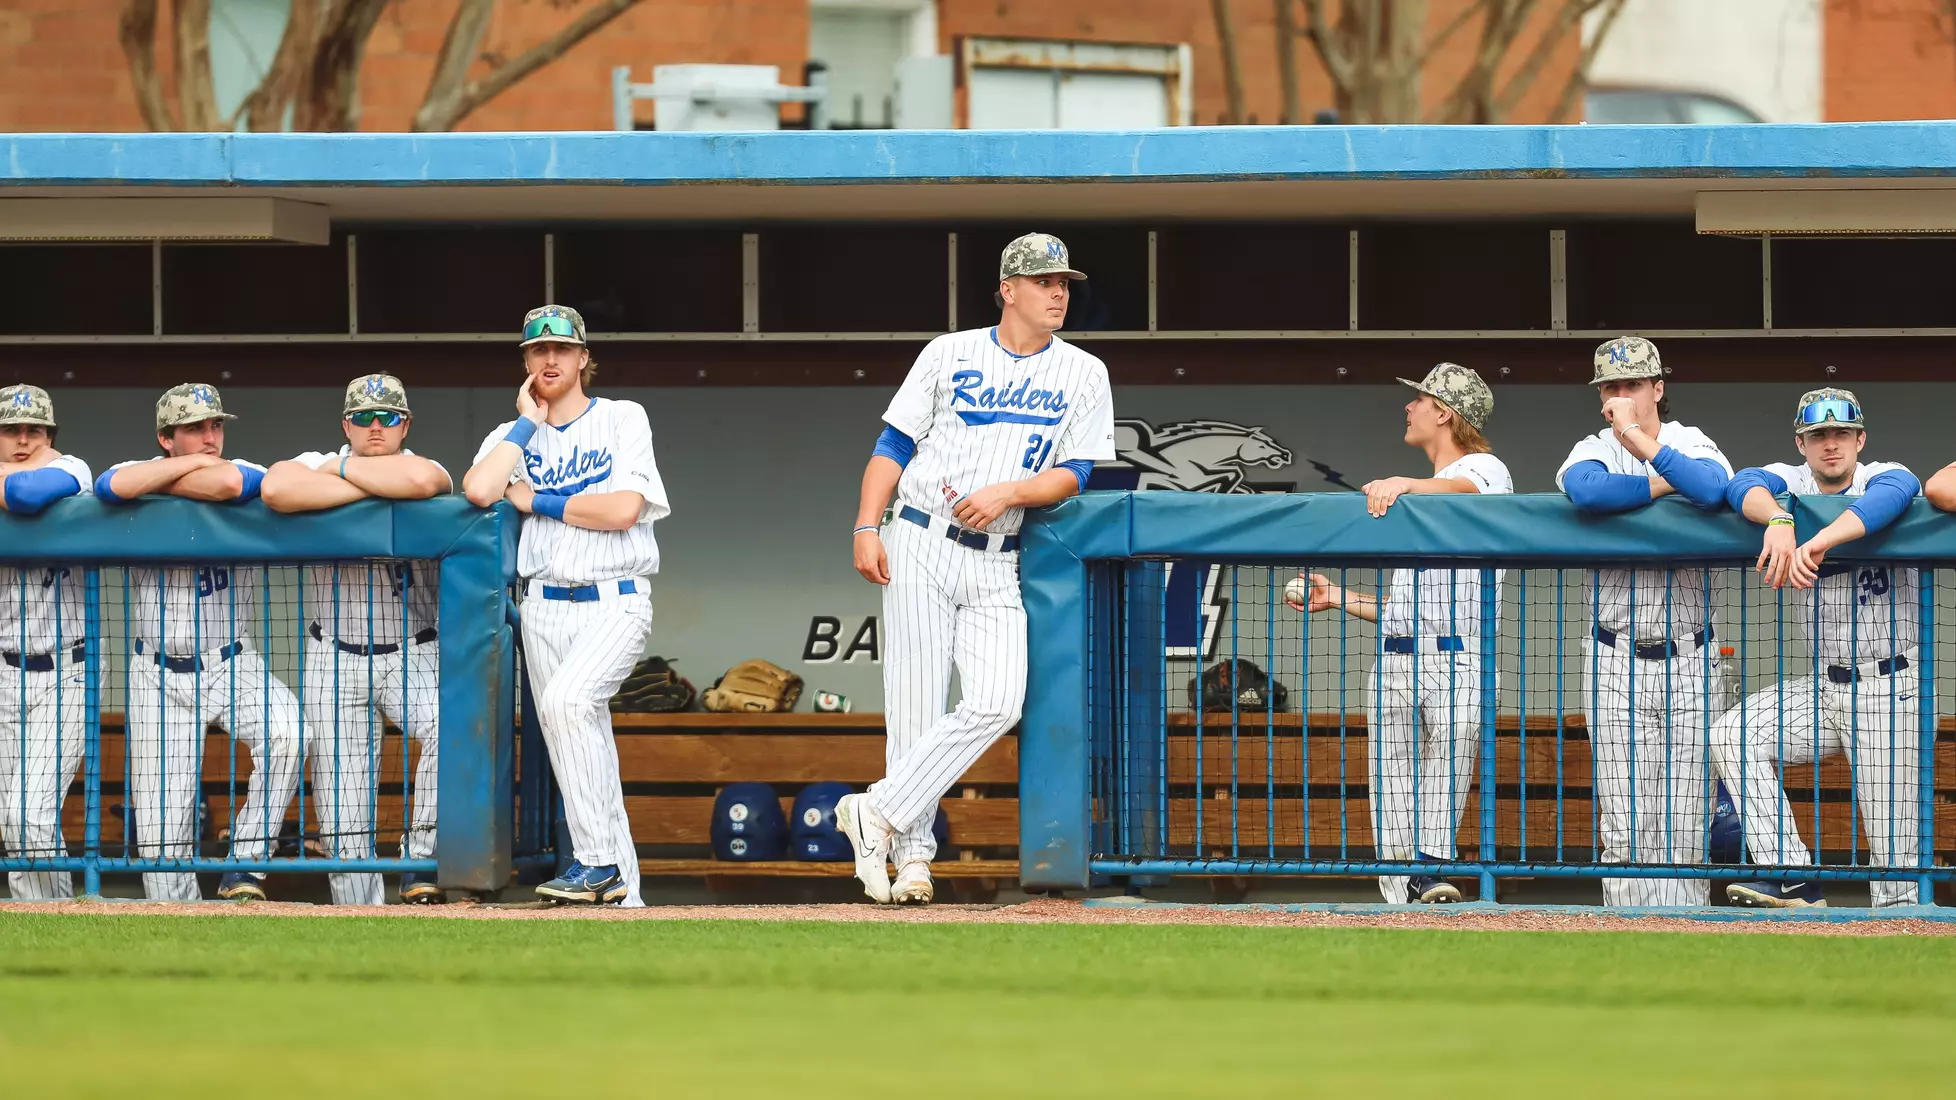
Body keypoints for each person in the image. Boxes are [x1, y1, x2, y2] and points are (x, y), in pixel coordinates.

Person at [840, 232, 1115, 905]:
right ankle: (912, 861)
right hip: (922, 539)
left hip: (1001, 552)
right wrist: (866, 523)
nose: (1058, 294)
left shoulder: (1084, 371)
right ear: (1008, 289)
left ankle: (874, 811)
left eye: (1064, 284)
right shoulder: (949, 352)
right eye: (1045, 282)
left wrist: (1009, 493)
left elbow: (1077, 472)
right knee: (914, 708)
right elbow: (892, 445)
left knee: (996, 701)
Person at [463, 305, 669, 907]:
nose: (549, 358)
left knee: (567, 702)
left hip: (615, 597)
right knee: (580, 742)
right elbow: (477, 489)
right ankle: (622, 897)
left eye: (561, 349)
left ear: (583, 358)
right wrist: (525, 426)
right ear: (526, 362)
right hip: (544, 606)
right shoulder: (510, 436)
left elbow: (623, 510)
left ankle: (596, 863)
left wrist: (540, 501)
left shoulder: (623, 418)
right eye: (537, 351)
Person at [1287, 364, 1511, 905]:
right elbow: (1401, 609)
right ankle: (1404, 899)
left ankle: (1428, 875)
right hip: (1395, 658)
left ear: (1444, 412)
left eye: (1420, 400)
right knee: (1390, 795)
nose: (1408, 407)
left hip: (1459, 660)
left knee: (1443, 783)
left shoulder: (1485, 468)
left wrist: (1403, 483)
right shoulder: (1419, 500)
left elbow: (1464, 488)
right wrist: (1337, 597)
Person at [1713, 389, 1921, 908]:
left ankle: (1898, 952)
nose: (1832, 445)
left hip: (1888, 687)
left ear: (1860, 439)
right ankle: (1791, 876)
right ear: (1802, 443)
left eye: (1842, 434)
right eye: (1819, 435)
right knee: (1733, 735)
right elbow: (1743, 483)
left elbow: (1899, 491)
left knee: (1895, 864)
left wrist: (1820, 539)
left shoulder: (1881, 474)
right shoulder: (1794, 482)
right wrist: (1780, 521)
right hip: (1826, 687)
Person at [96, 383, 302, 901]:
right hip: (154, 674)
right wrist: (176, 475)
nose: (211, 437)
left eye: (216, 425)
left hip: (231, 660)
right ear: (166, 438)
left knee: (289, 731)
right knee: (161, 843)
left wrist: (162, 482)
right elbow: (109, 486)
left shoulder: (246, 468)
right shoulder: (137, 472)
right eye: (194, 429)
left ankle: (247, 861)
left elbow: (233, 484)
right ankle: (181, 936)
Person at [1555, 337, 1733, 907]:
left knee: (1687, 813)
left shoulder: (1690, 440)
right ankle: (1628, 934)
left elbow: (1709, 487)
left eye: (1632, 384)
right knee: (1625, 814)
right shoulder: (1592, 445)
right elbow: (1586, 493)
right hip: (1614, 655)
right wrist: (1660, 484)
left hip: (1690, 653)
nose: (1620, 396)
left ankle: (1686, 938)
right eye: (1610, 387)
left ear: (1658, 388)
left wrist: (1636, 438)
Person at [262, 374, 452, 905]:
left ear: (405, 424)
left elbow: (422, 484)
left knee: (448, 729)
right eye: (363, 417)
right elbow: (276, 488)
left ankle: (420, 862)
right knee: (343, 802)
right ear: (345, 423)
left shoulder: (422, 465)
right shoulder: (309, 457)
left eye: (388, 417)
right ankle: (356, 912)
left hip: (413, 647)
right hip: (333, 654)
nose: (375, 426)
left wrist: (341, 477)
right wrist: (368, 484)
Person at [0, 385, 92, 899]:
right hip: (4, 671)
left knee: (28, 814)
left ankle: (50, 915)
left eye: (34, 430)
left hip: (65, 670)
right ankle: (55, 919)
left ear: (51, 437)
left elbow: (27, 495)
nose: (23, 440)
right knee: (13, 823)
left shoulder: (73, 469)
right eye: (11, 430)